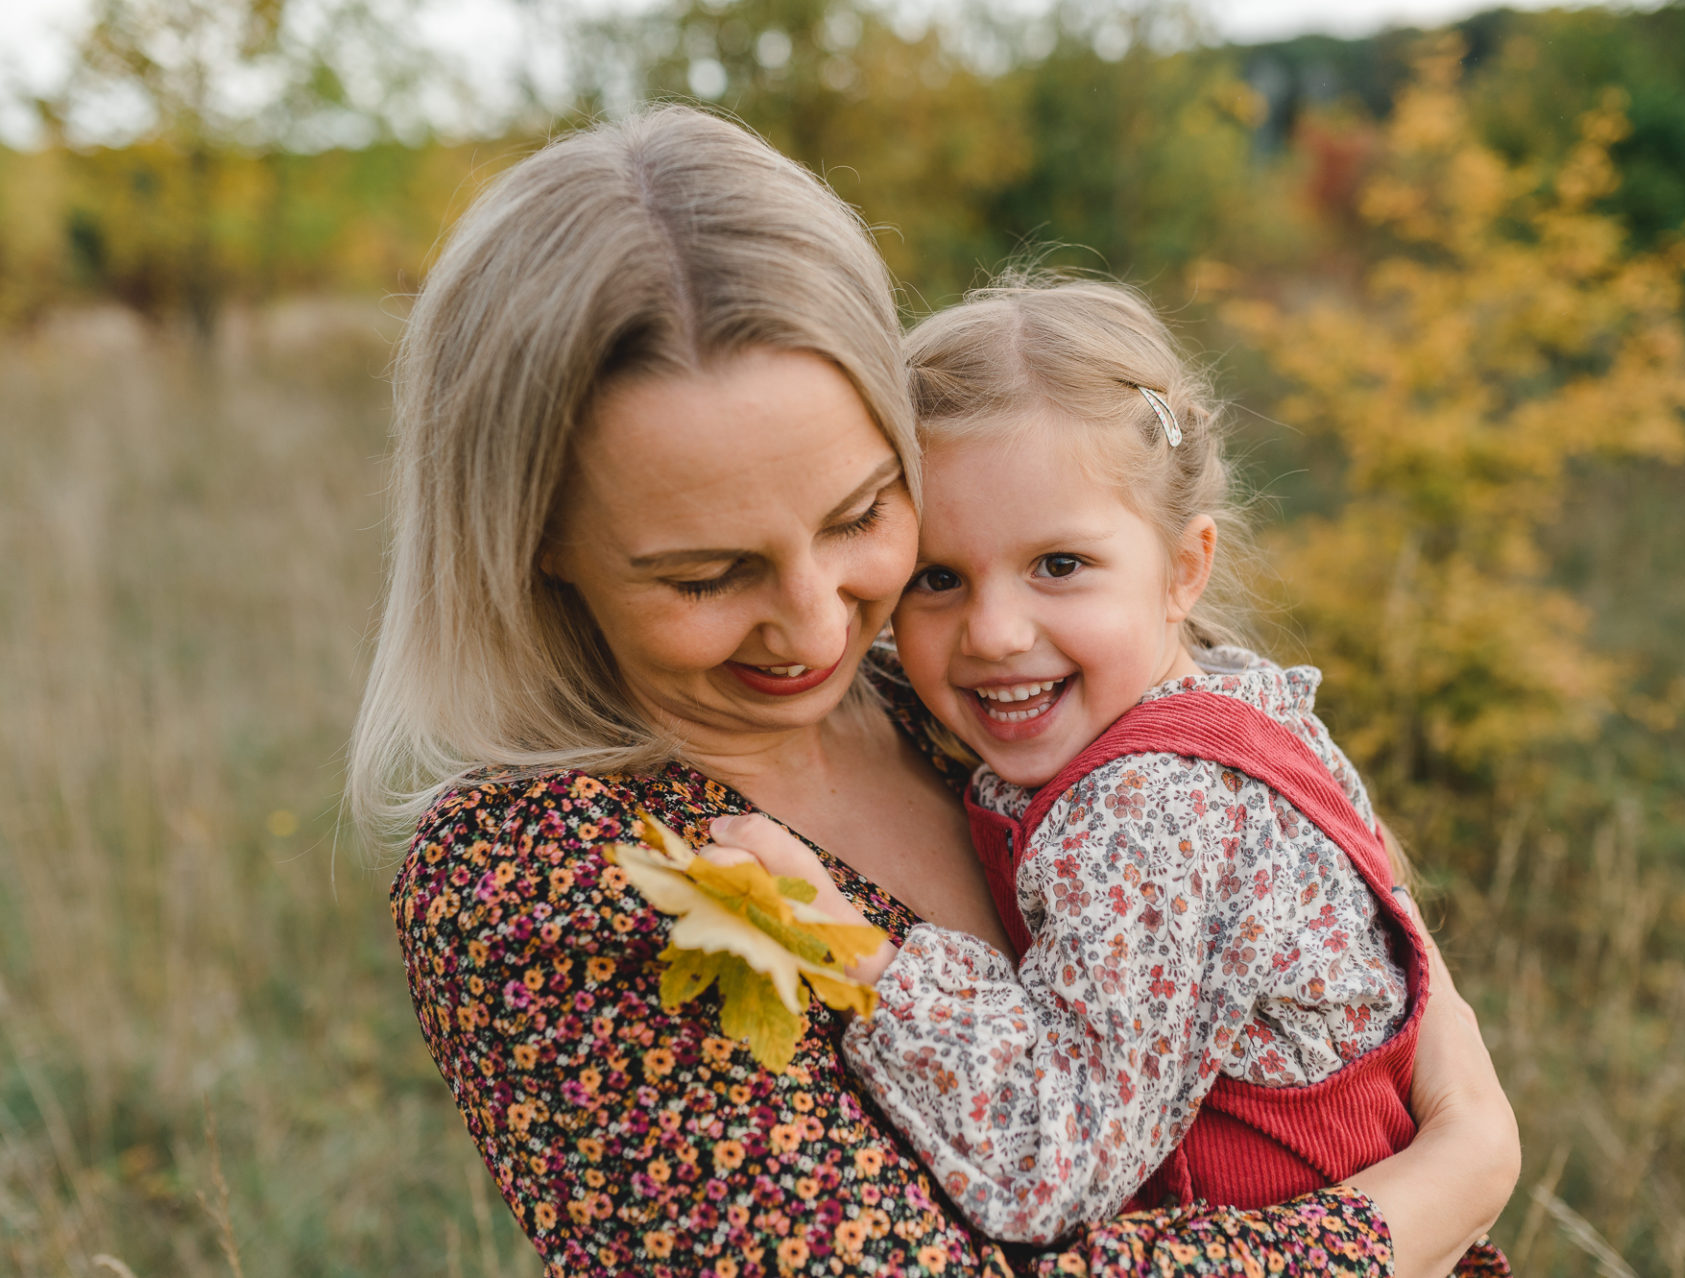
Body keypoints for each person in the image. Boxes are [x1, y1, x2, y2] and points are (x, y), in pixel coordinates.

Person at [350, 105, 1521, 1278]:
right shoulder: (539, 877)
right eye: (708, 574)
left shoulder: (966, 697)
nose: (820, 625)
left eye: (863, 517)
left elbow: (1358, 918)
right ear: (534, 543)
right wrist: (1437, 1189)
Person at [708, 278, 1494, 1261]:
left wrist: (854, 951)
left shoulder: (1155, 808)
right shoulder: (1218, 703)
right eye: (936, 579)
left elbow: (1053, 1165)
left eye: (1060, 565)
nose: (993, 634)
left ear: (1182, 569)